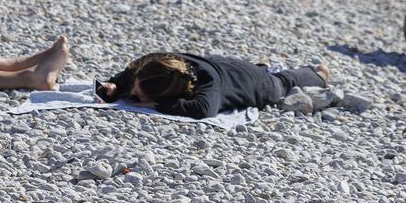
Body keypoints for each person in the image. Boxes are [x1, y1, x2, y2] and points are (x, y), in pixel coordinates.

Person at [95, 53, 329, 119]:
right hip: (227, 66)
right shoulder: (158, 65)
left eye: (136, 96)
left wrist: (154, 104)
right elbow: (132, 73)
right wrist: (115, 84)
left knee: (283, 82)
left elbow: (203, 109)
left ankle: (316, 73)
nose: (131, 96)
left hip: (258, 84)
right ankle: (263, 66)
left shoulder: (208, 85)